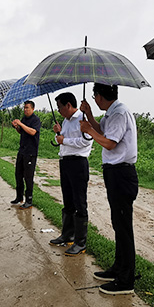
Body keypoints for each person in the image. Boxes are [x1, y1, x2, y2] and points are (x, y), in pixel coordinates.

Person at [79, 83, 139, 295]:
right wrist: (90, 116)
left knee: (123, 227)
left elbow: (109, 143)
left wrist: (87, 130)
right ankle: (118, 267)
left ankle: (126, 280)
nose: (94, 100)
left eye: (95, 97)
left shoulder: (119, 113)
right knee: (118, 224)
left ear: (99, 95)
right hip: (115, 173)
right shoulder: (111, 112)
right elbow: (102, 130)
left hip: (122, 174)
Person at [49, 92, 93, 256]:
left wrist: (64, 140)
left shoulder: (83, 119)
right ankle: (67, 235)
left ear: (68, 105)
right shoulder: (65, 121)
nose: (58, 110)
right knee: (68, 200)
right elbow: (63, 141)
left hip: (78, 163)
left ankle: (80, 242)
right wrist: (58, 133)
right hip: (65, 162)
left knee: (79, 202)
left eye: (60, 107)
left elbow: (85, 141)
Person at [10, 100, 42, 209]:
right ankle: (19, 197)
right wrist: (17, 127)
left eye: (27, 108)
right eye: (24, 108)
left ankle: (29, 200)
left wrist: (20, 124)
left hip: (30, 152)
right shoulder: (24, 119)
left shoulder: (36, 120)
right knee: (18, 174)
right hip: (22, 151)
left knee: (28, 177)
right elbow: (22, 131)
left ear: (32, 109)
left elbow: (33, 132)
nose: (25, 109)